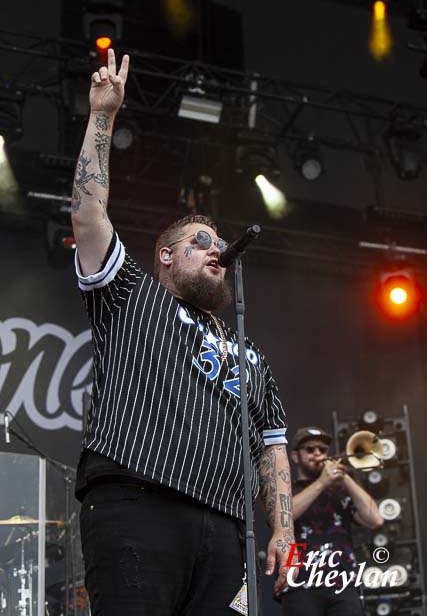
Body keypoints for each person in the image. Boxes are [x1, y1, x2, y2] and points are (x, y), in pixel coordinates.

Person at [71, 48, 295, 616]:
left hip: (227, 528)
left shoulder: (251, 356)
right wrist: (103, 115)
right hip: (136, 502)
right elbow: (89, 216)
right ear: (165, 257)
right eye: (198, 241)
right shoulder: (131, 294)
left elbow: (272, 446)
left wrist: (283, 528)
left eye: (217, 242)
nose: (213, 248)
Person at [280, 426, 384, 616]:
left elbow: (375, 519)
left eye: (322, 449)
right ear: (295, 457)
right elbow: (283, 516)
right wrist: (322, 482)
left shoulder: (340, 491)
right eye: (310, 449)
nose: (318, 453)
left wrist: (344, 477)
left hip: (343, 582)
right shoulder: (287, 490)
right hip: (300, 583)